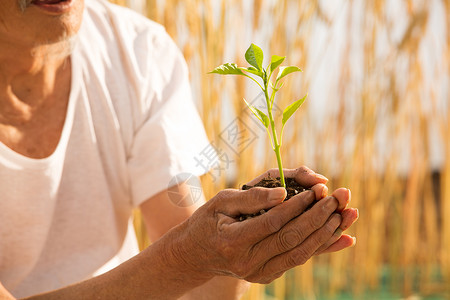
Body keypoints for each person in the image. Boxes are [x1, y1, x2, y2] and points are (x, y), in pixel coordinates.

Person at [0, 0, 358, 299]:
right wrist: (189, 255)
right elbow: (186, 258)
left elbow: (197, 283)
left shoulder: (137, 51)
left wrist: (242, 234)